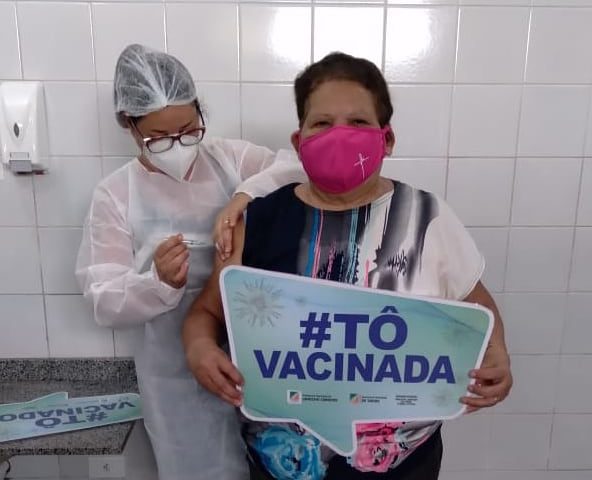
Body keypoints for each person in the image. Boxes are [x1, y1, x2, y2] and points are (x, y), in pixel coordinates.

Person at [183, 52, 513, 480]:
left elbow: (477, 306)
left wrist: (497, 353)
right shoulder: (257, 222)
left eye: (358, 122)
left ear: (387, 139)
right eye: (322, 123)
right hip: (283, 462)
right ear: (299, 142)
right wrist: (200, 348)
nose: (339, 136)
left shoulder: (427, 219)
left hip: (403, 465)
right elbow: (208, 312)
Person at [75, 44, 305, 480]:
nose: (178, 146)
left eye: (188, 130)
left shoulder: (229, 161)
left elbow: (299, 169)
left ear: (200, 110)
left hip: (257, 361)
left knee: (277, 465)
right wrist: (157, 282)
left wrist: (242, 196)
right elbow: (103, 298)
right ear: (129, 126)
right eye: (159, 138)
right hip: (175, 383)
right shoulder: (115, 195)